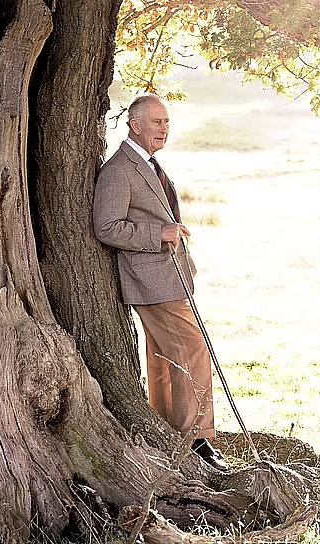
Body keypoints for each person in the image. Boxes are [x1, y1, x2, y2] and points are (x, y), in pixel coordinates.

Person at [93, 95, 227, 470]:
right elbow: (106, 227)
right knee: (192, 350)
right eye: (156, 122)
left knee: (166, 356)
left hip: (171, 277)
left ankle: (171, 431)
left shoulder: (149, 165)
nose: (163, 129)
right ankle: (197, 440)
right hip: (152, 281)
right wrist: (160, 232)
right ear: (135, 124)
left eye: (166, 122)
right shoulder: (119, 170)